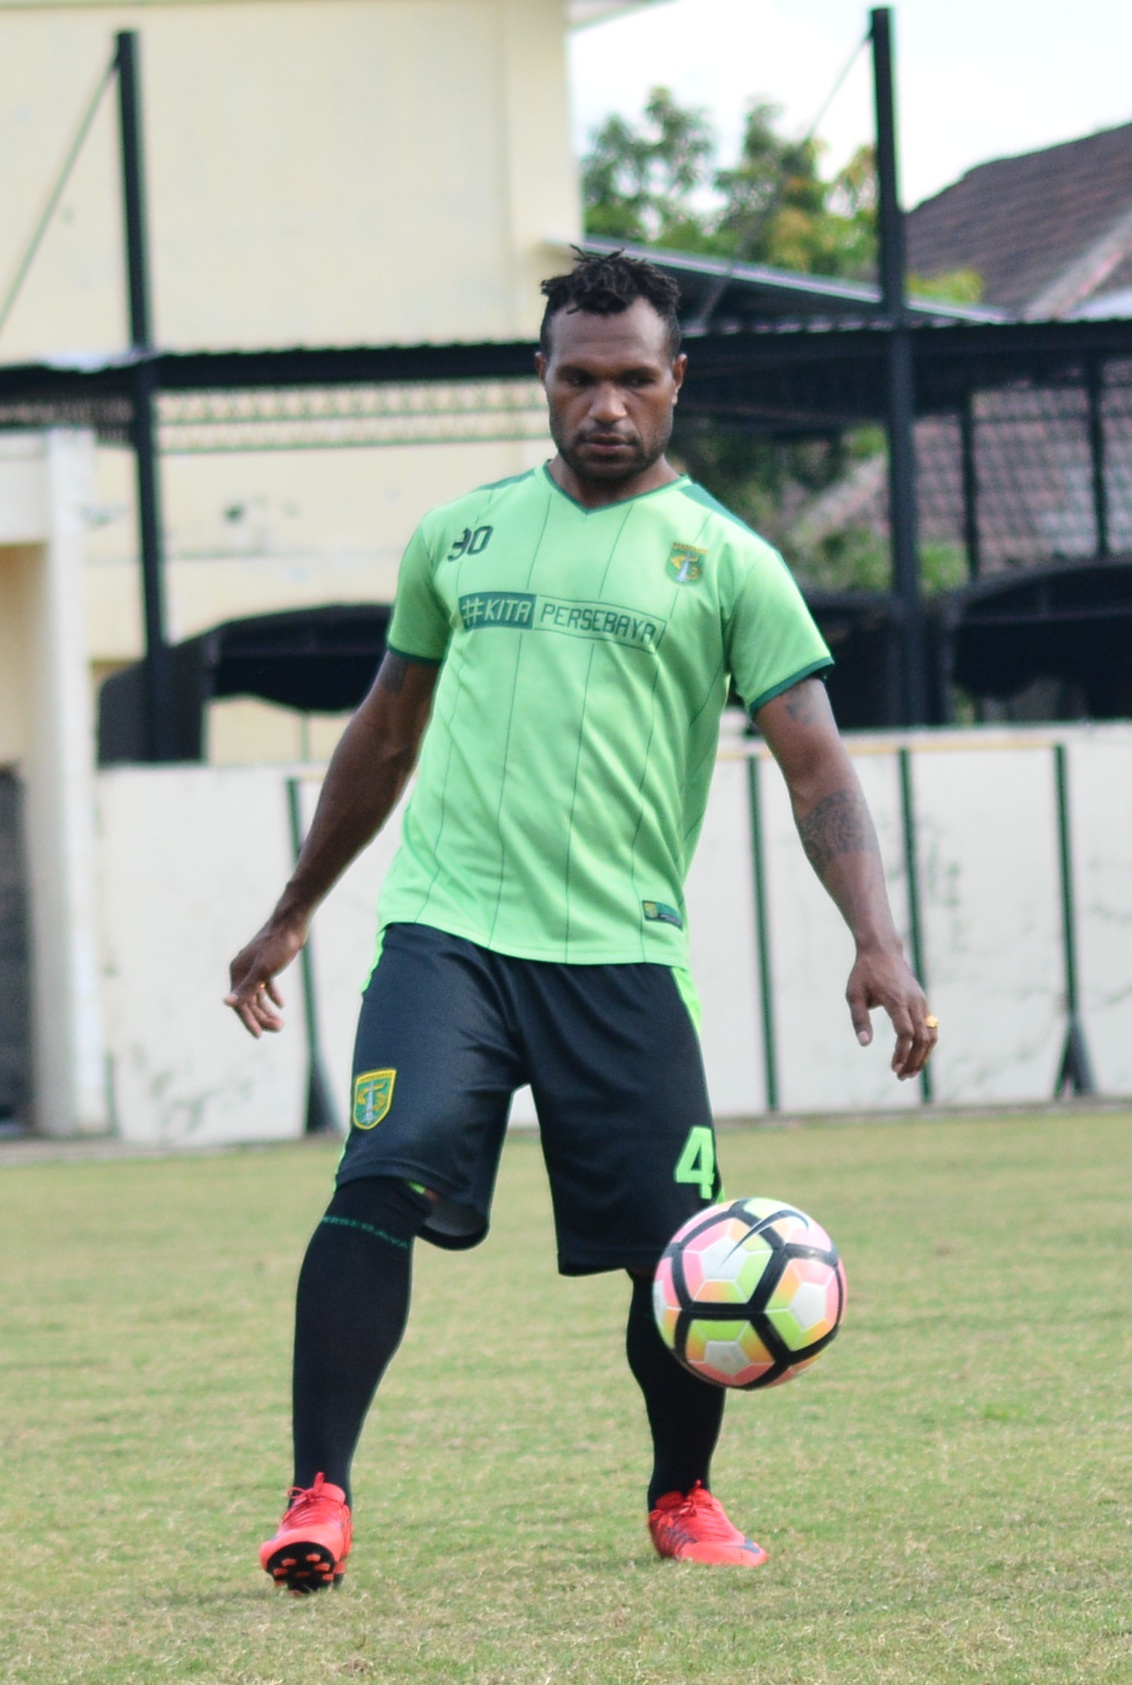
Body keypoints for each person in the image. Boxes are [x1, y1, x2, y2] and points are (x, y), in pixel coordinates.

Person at [222, 249, 936, 1592]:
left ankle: (683, 1495)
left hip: (620, 954)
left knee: (681, 1247)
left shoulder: (730, 562)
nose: (603, 404)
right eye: (576, 378)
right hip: (448, 939)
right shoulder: (460, 536)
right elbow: (383, 734)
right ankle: (317, 1494)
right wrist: (293, 909)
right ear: (540, 381)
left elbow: (816, 764)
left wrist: (877, 939)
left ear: (677, 383)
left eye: (630, 379)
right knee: (378, 1179)